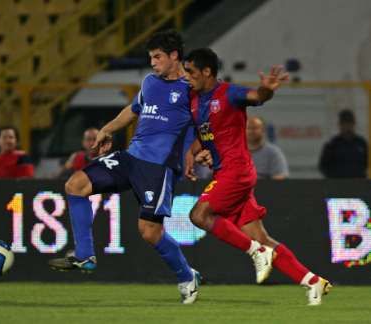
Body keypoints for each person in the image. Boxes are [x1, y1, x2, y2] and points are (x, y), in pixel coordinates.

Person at [48, 30, 271, 304]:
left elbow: (215, 119)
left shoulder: (194, 88)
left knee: (149, 232)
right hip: (131, 157)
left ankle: (186, 275)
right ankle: (85, 256)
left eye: (157, 57)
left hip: (159, 168)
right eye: (150, 58)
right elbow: (133, 110)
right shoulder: (150, 82)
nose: (153, 63)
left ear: (174, 56)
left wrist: (208, 151)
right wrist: (106, 129)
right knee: (75, 185)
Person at [184, 48, 331, 306]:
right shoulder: (195, 100)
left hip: (235, 170)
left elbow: (256, 95)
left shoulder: (229, 92)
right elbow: (205, 135)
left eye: (191, 72)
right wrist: (191, 154)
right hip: (229, 172)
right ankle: (313, 281)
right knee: (262, 237)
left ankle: (256, 252)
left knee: (198, 215)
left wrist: (267, 90)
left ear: (207, 71)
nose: (188, 77)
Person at [319, 109, 368, 178]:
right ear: (339, 125)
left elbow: (367, 164)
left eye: (350, 123)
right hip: (338, 186)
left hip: (358, 185)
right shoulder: (332, 144)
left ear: (354, 124)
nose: (347, 126)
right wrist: (334, 178)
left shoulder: (362, 143)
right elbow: (323, 166)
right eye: (344, 124)